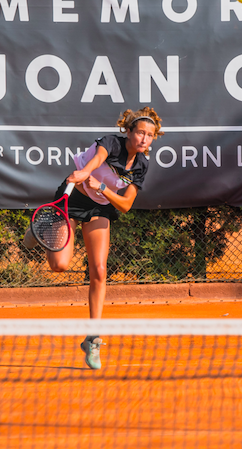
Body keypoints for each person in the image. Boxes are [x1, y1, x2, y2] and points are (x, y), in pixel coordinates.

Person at [24, 107, 162, 369]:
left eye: (149, 135)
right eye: (140, 133)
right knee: (59, 265)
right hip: (73, 199)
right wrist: (85, 173)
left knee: (99, 270)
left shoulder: (141, 165)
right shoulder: (111, 143)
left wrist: (103, 188)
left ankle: (93, 338)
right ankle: (40, 229)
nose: (144, 139)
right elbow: (97, 160)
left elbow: (125, 205)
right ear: (129, 132)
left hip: (100, 208)